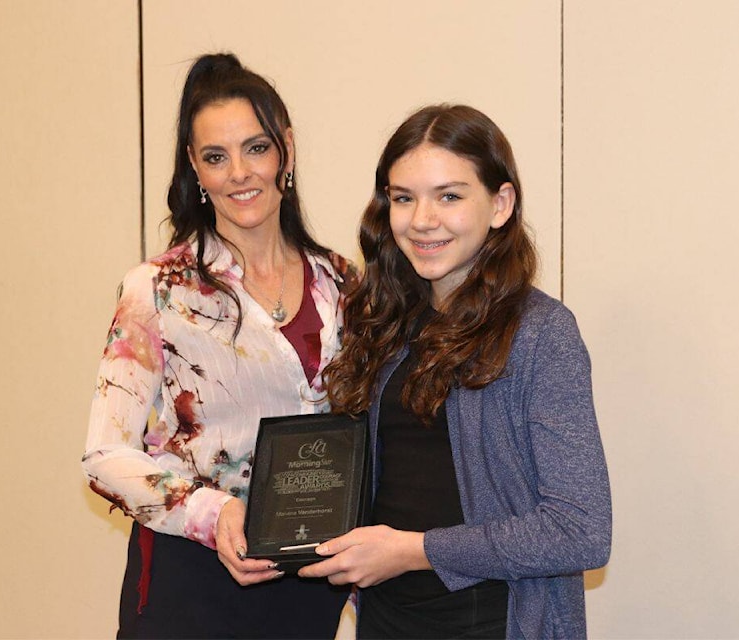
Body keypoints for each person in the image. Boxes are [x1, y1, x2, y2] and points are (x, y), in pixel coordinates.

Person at [298, 104, 612, 639]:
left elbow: (580, 531)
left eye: (449, 195)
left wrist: (412, 550)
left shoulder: (541, 333)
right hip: (387, 621)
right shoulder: (381, 322)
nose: (422, 219)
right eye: (403, 198)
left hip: (495, 625)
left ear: (500, 204)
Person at [82, 53, 355, 639]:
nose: (239, 173)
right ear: (195, 169)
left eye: (256, 148)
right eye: (215, 156)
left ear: (287, 148)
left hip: (309, 586)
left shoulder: (343, 283)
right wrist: (215, 512)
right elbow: (104, 456)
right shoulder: (156, 290)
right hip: (194, 581)